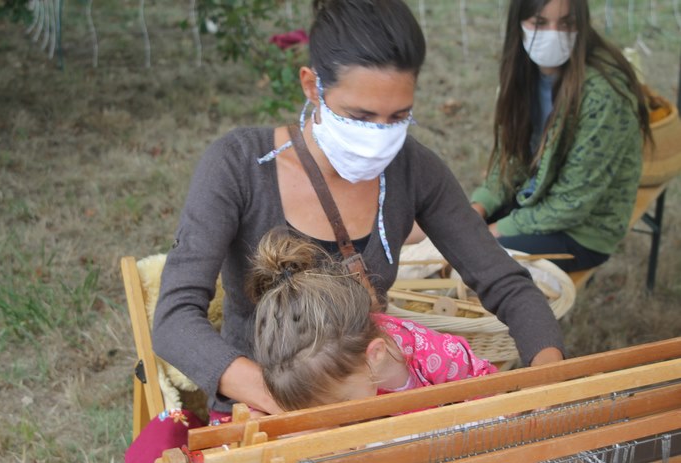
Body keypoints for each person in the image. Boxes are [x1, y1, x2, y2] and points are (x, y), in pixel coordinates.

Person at [151, 0, 564, 425]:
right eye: (360, 116)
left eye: (398, 117)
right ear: (312, 86)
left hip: (376, 407)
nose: (379, 136)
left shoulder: (413, 169)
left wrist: (547, 378)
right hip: (262, 413)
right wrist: (290, 402)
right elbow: (174, 319)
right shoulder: (238, 166)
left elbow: (506, 284)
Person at [469, 0, 652, 272]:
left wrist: (493, 231)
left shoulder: (604, 94)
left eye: (566, 23)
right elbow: (510, 158)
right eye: (539, 23)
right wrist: (479, 206)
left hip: (583, 231)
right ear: (518, 23)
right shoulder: (522, 70)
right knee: (454, 237)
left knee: (479, 259)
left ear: (582, 24)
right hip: (535, 198)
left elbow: (572, 204)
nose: (553, 34)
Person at [247, 228, 498, 410]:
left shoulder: (436, 357)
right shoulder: (330, 372)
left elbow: (486, 388)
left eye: (343, 403)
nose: (338, 418)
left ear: (375, 354)